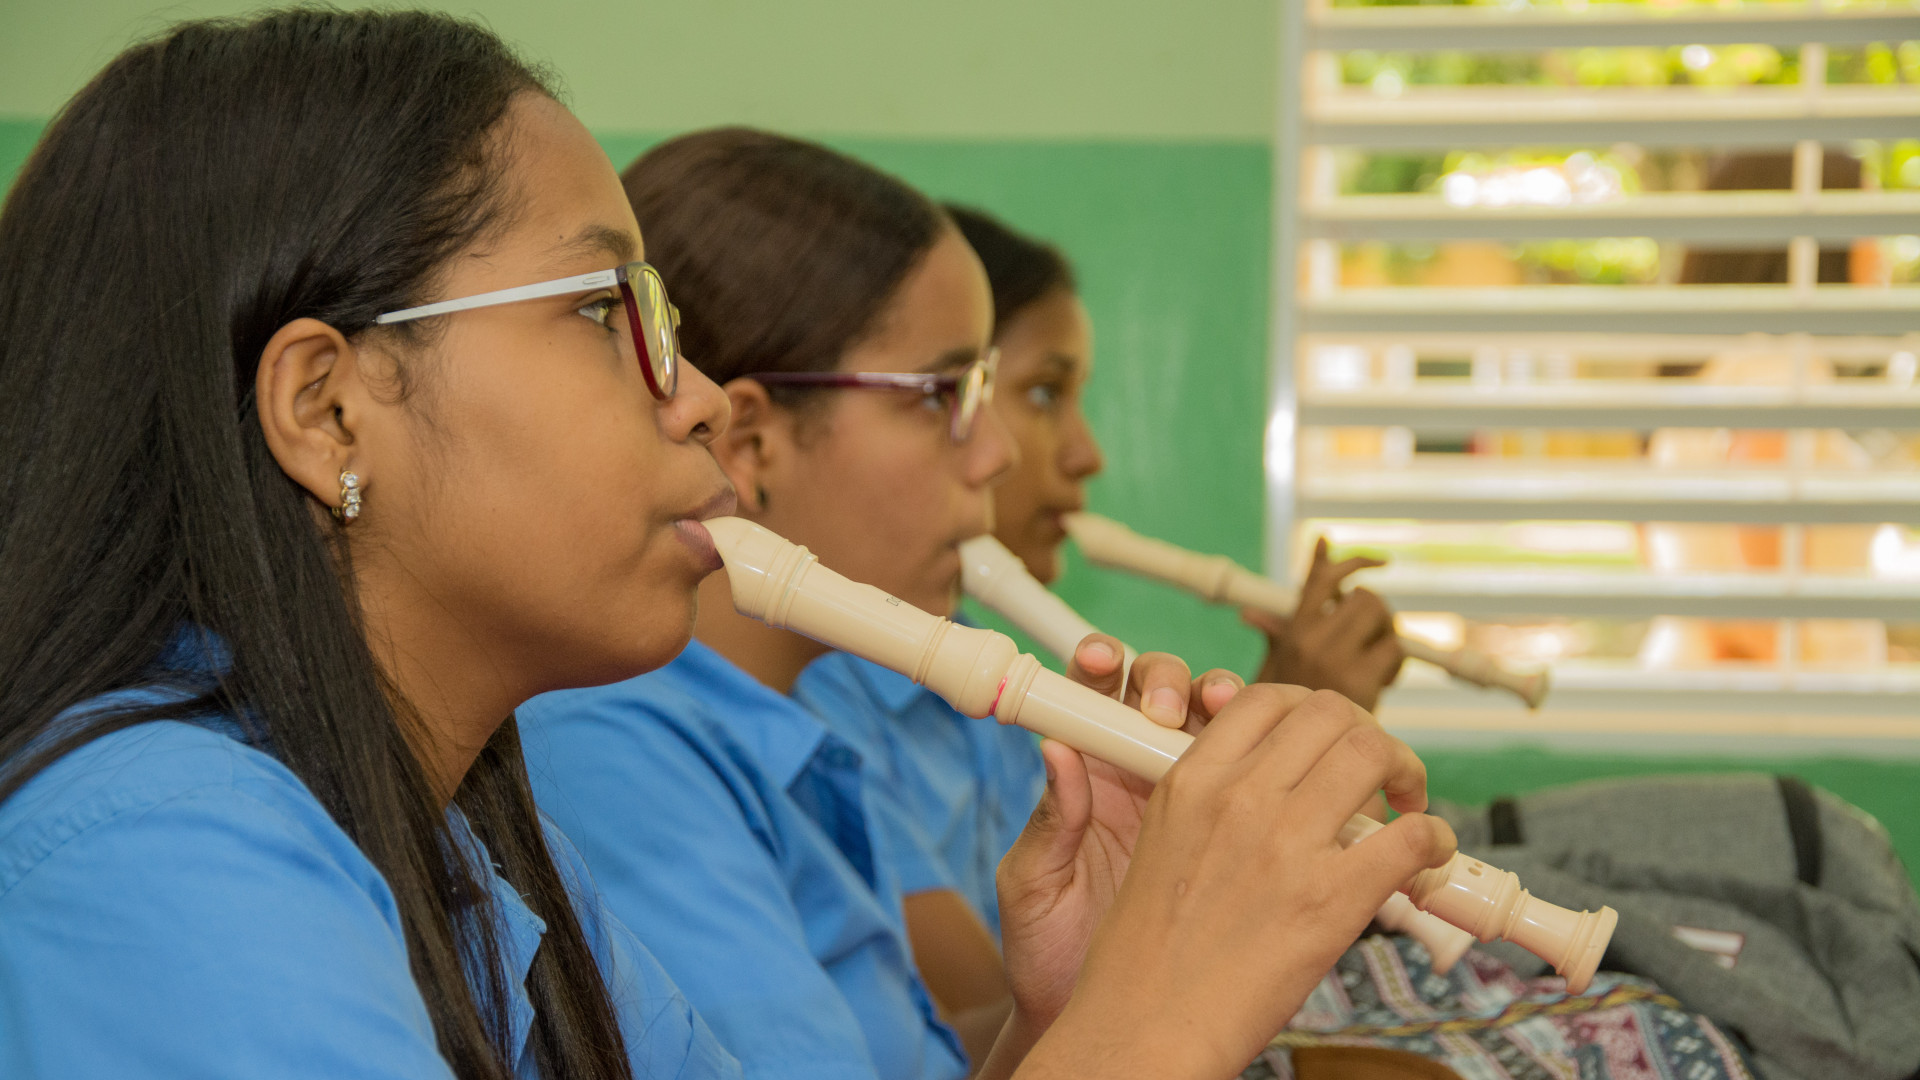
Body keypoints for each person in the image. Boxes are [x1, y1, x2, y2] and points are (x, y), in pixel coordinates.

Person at [516, 127, 1454, 1080]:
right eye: (944, 395)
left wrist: (1086, 990)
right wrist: (1159, 996)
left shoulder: (788, 728)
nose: (1000, 453)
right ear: (753, 444)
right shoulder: (617, 753)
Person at [792, 204, 1411, 1016]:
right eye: (1042, 392)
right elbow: (1003, 1016)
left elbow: (1102, 912)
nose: (1085, 454)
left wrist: (1252, 762)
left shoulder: (969, 649)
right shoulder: (816, 698)